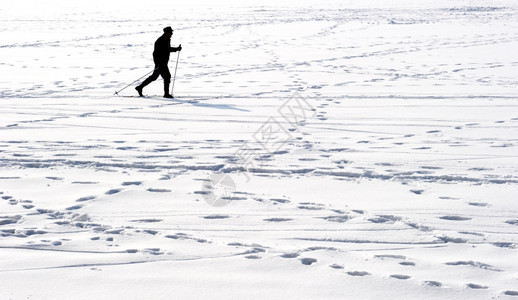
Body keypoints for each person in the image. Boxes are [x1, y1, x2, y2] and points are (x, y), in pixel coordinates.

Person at [136, 26, 182, 98]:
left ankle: (140, 87)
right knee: (167, 76)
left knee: (154, 77)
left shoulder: (166, 39)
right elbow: (156, 53)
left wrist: (177, 49)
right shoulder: (161, 40)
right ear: (166, 32)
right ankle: (166, 94)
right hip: (161, 63)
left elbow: (167, 49)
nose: (172, 33)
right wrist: (158, 63)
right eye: (171, 32)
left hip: (162, 63)